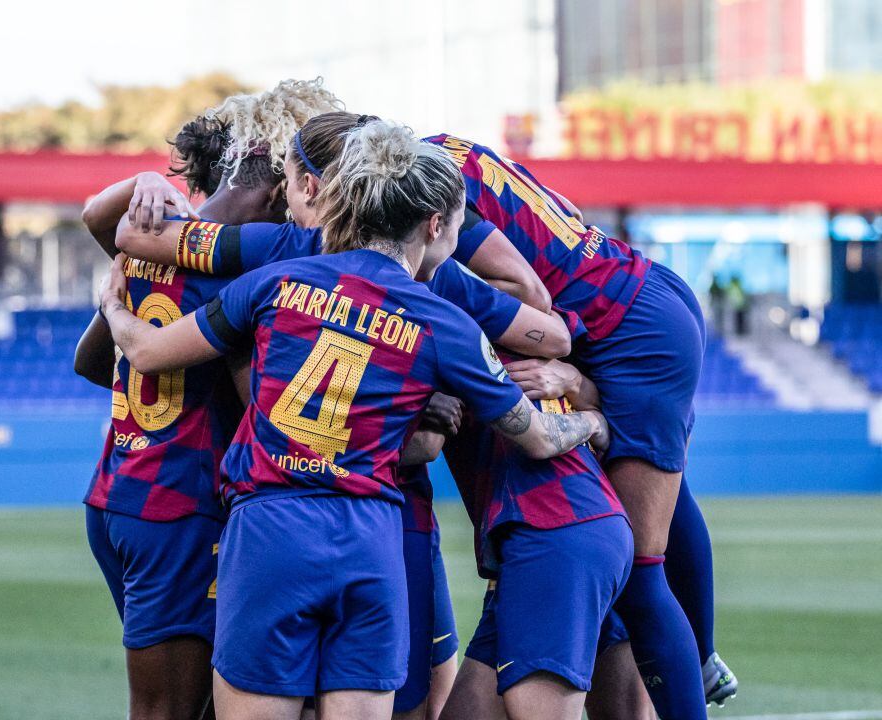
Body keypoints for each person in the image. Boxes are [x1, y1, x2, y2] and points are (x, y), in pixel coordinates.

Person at [98, 120, 608, 720]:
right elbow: (543, 436)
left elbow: (148, 351)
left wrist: (113, 310)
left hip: (269, 530)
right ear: (434, 224)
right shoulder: (446, 323)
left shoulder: (275, 280)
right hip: (371, 540)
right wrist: (592, 420)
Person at [427, 132, 736, 715]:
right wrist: (581, 391)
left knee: (644, 569)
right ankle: (702, 652)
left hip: (624, 325)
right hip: (629, 298)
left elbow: (532, 296)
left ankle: (698, 659)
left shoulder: (415, 190)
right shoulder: (441, 147)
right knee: (663, 495)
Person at [75, 78, 344, 720]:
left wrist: (122, 314)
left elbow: (89, 362)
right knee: (172, 711)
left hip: (119, 494)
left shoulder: (156, 237)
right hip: (182, 509)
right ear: (285, 186)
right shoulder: (245, 269)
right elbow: (265, 406)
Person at [437, 351, 645, 720]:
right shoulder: (532, 332)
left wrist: (591, 417)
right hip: (564, 533)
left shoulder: (454, 328)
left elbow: (539, 438)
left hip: (554, 532)